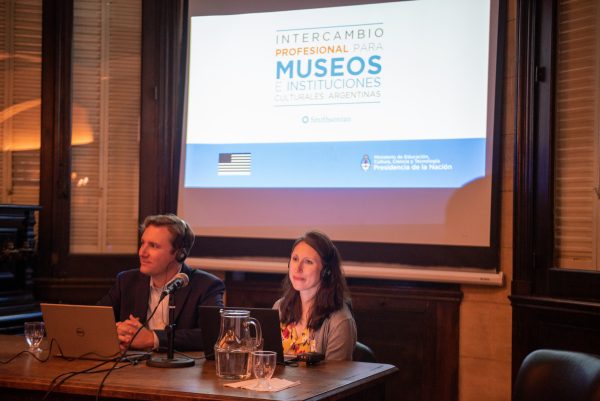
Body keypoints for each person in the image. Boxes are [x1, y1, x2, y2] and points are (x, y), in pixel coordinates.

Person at [97, 214, 224, 352]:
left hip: (182, 371)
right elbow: (95, 320)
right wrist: (117, 330)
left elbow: (213, 335)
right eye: (142, 243)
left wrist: (153, 338)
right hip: (133, 368)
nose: (142, 252)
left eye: (153, 246)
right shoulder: (126, 281)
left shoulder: (206, 286)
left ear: (179, 254)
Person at [273, 230, 357, 361]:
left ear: (326, 271)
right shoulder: (279, 307)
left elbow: (336, 379)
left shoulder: (340, 321)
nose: (298, 268)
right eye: (295, 259)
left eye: (308, 262)